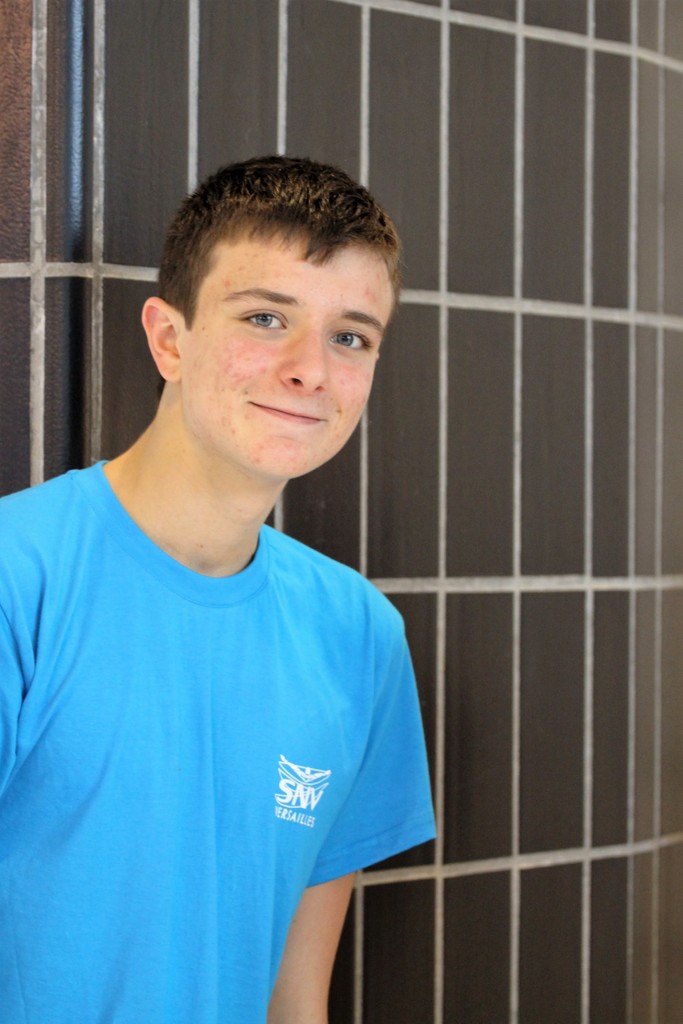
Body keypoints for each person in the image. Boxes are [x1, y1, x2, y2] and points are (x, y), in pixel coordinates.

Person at [0, 155, 435, 1024]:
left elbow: (295, 1001)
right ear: (169, 338)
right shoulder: (22, 576)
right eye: (266, 318)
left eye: (350, 337)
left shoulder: (358, 636)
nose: (310, 369)